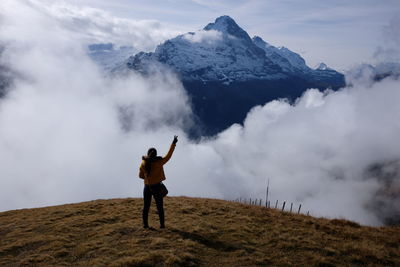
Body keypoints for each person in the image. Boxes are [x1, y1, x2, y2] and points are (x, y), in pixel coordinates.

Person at [139, 135, 178, 229]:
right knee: (160, 207)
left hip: (147, 187)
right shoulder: (160, 162)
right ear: (156, 154)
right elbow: (169, 155)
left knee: (146, 207)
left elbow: (140, 176)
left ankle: (145, 225)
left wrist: (147, 178)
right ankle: (162, 226)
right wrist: (173, 143)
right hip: (157, 187)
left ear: (148, 154)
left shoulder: (143, 163)